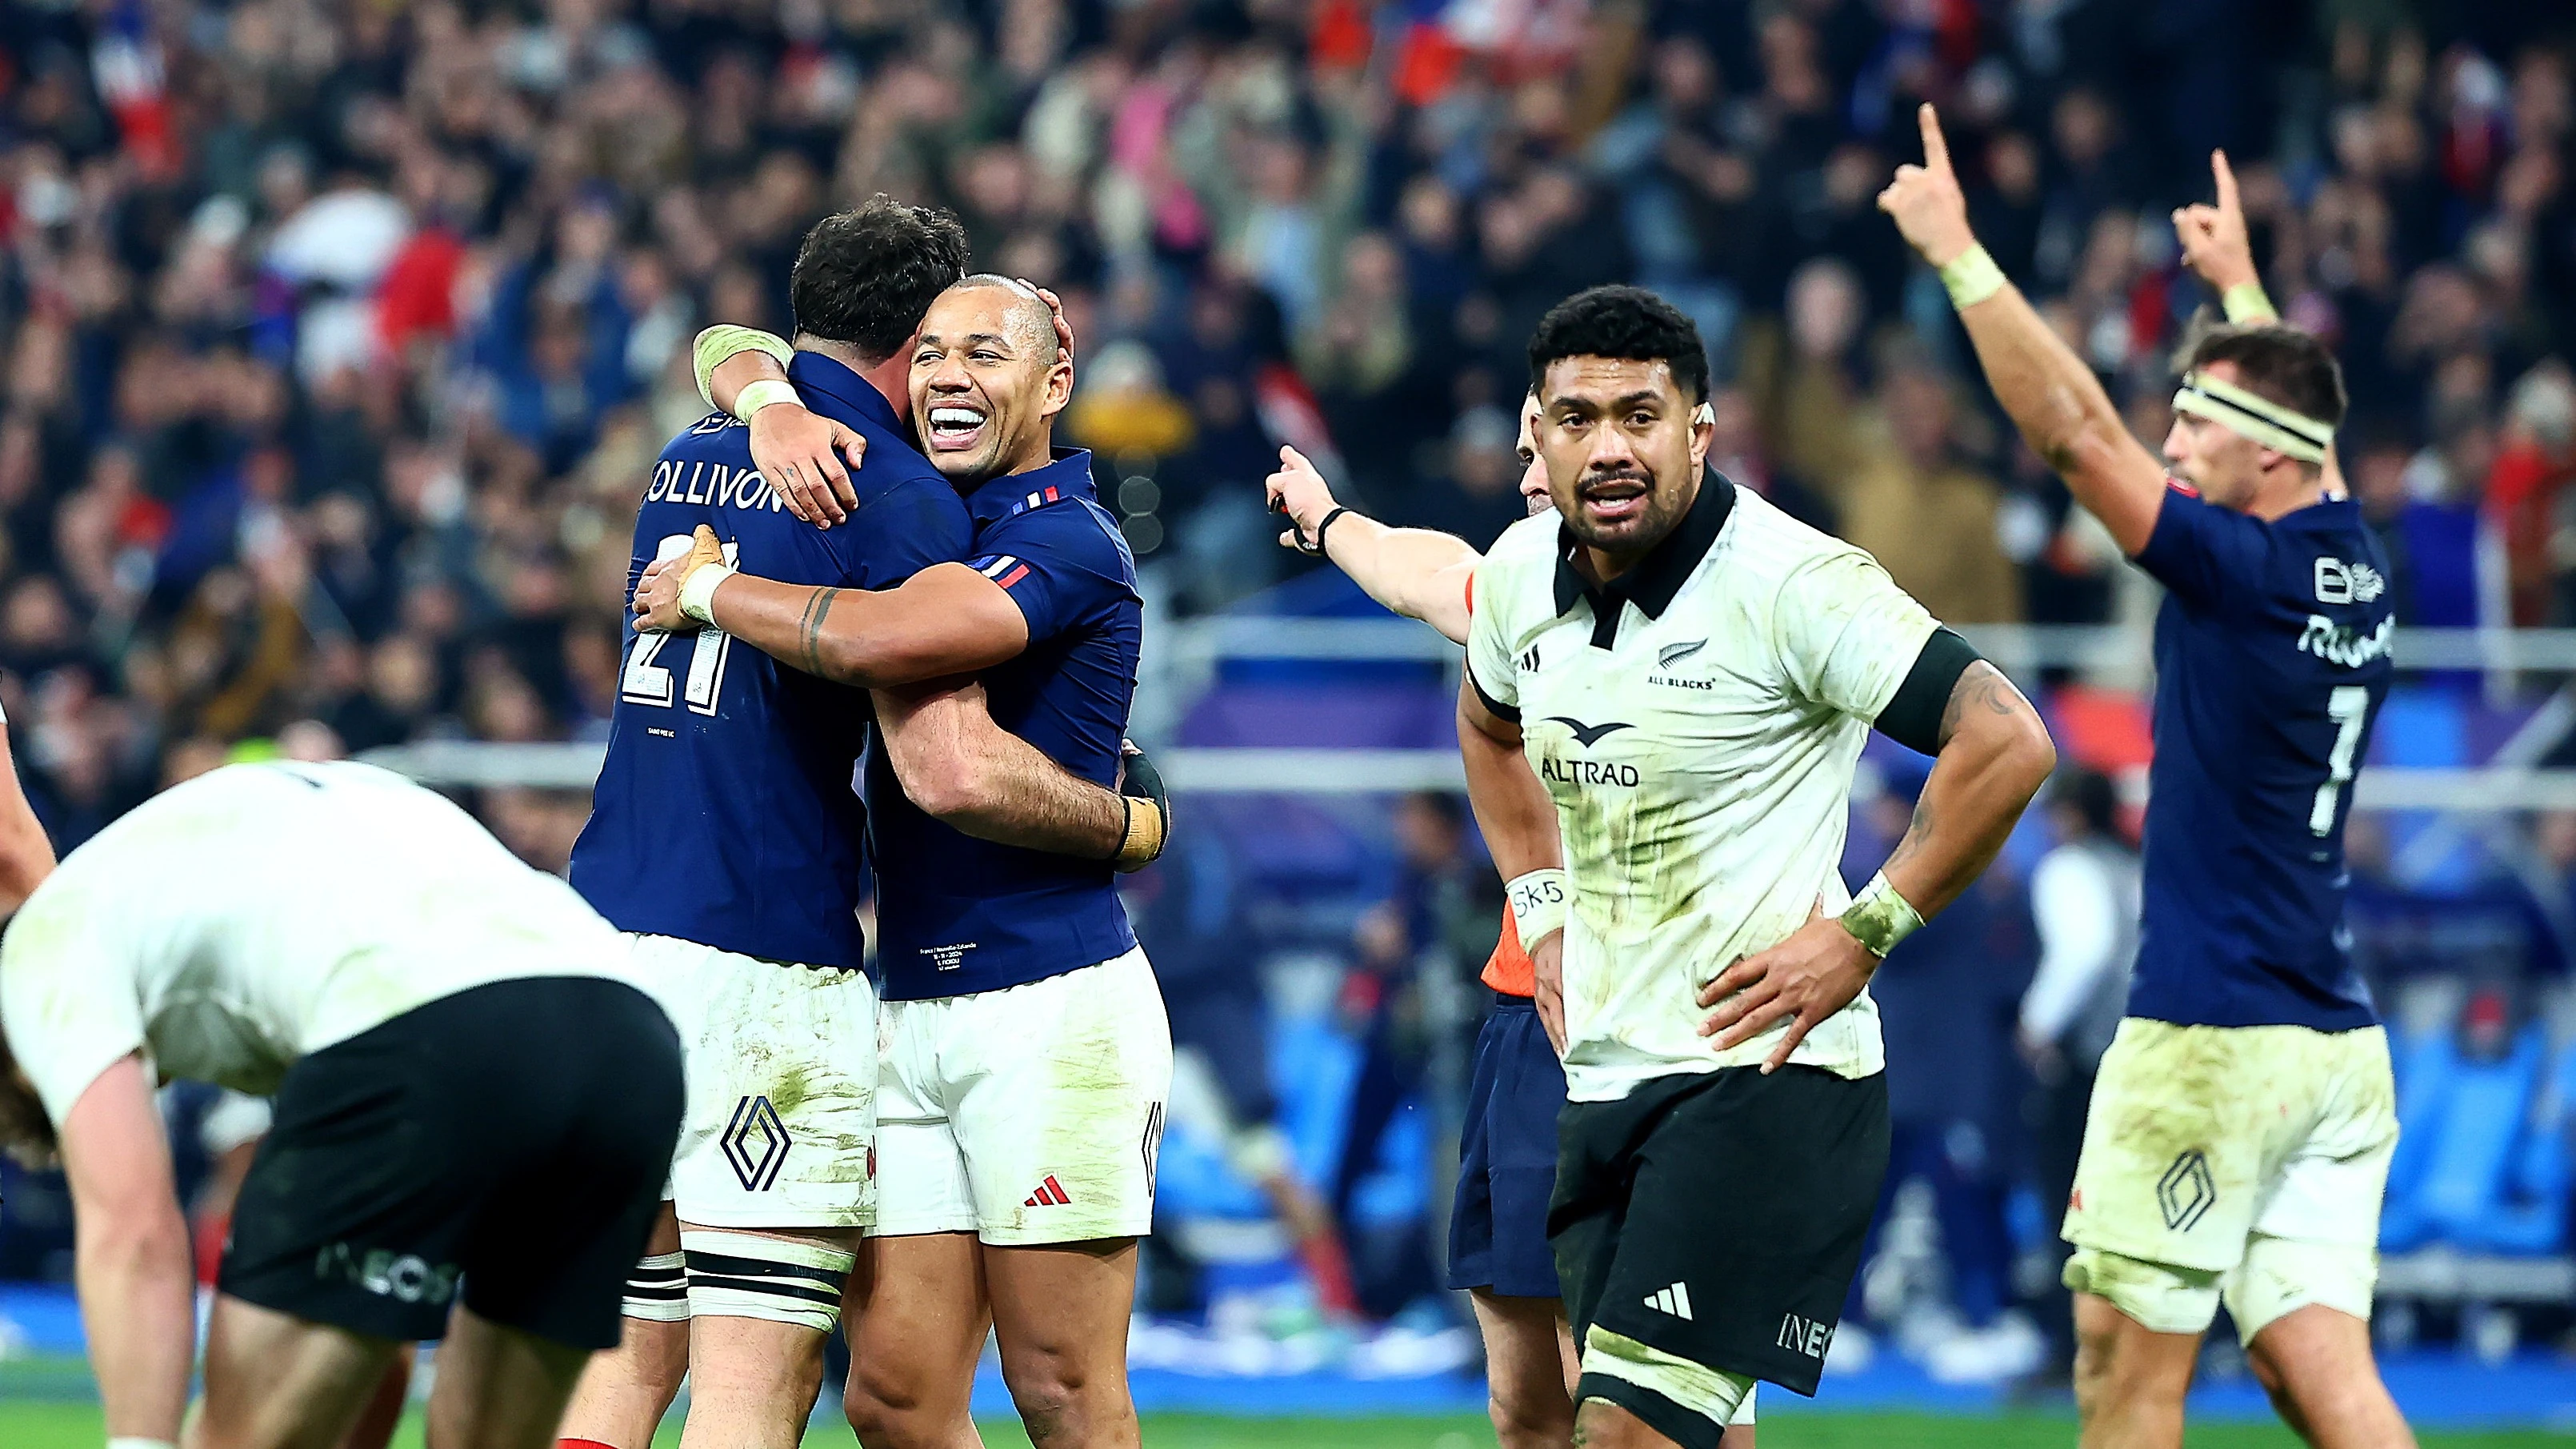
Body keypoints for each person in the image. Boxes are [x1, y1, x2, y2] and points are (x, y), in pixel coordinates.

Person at [560, 203, 1158, 1449]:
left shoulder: (701, 440)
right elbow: (938, 760)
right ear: (904, 350)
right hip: (766, 958)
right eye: (936, 350)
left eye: (983, 353)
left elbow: (941, 760)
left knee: (643, 1357)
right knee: (773, 1376)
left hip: (629, 935)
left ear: (1055, 376)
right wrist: (1132, 822)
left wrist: (742, 466)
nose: (947, 376)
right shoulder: (885, 497)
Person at [1881, 106, 2410, 1449]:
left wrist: (1960, 258)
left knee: (2126, 1383)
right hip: (2335, 1053)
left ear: (2267, 455)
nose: (2171, 445)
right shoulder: (2350, 555)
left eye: (2195, 425)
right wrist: (2239, 289)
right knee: (2320, 1381)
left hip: (2210, 1043)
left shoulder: (2234, 574)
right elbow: (2305, 421)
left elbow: (2070, 432)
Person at [1458, 283, 2056, 1449]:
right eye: (1578, 418)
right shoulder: (1520, 574)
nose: (1611, 445)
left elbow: (2009, 737)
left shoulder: (1794, 581)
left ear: (1700, 429)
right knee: (1660, 1423)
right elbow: (1488, 728)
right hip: (1610, 1068)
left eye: (1642, 413)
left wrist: (1865, 929)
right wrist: (1543, 909)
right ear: (1535, 436)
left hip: (1767, 1075)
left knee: (1619, 1432)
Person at [1265, 396, 1760, 1447]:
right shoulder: (1525, 593)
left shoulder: (1729, 610)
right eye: (1530, 443)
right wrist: (1327, 519)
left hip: (1661, 1021)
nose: (1534, 466)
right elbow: (1417, 568)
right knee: (1526, 1396)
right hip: (1524, 1010)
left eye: (1563, 439)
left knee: (1651, 1388)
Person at [0, 759, 683, 1449]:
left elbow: (135, 1233)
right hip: (629, 1038)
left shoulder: (38, 951)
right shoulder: (222, 873)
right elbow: (370, 1338)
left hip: (433, 1027)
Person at [2015, 768, 2140, 1385]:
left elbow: (2083, 951)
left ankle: (2073, 1349)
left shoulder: (2069, 869)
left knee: (2071, 1207)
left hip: (2089, 1060)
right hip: (2152, 1054)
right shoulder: (2140, 868)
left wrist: (2035, 1023)